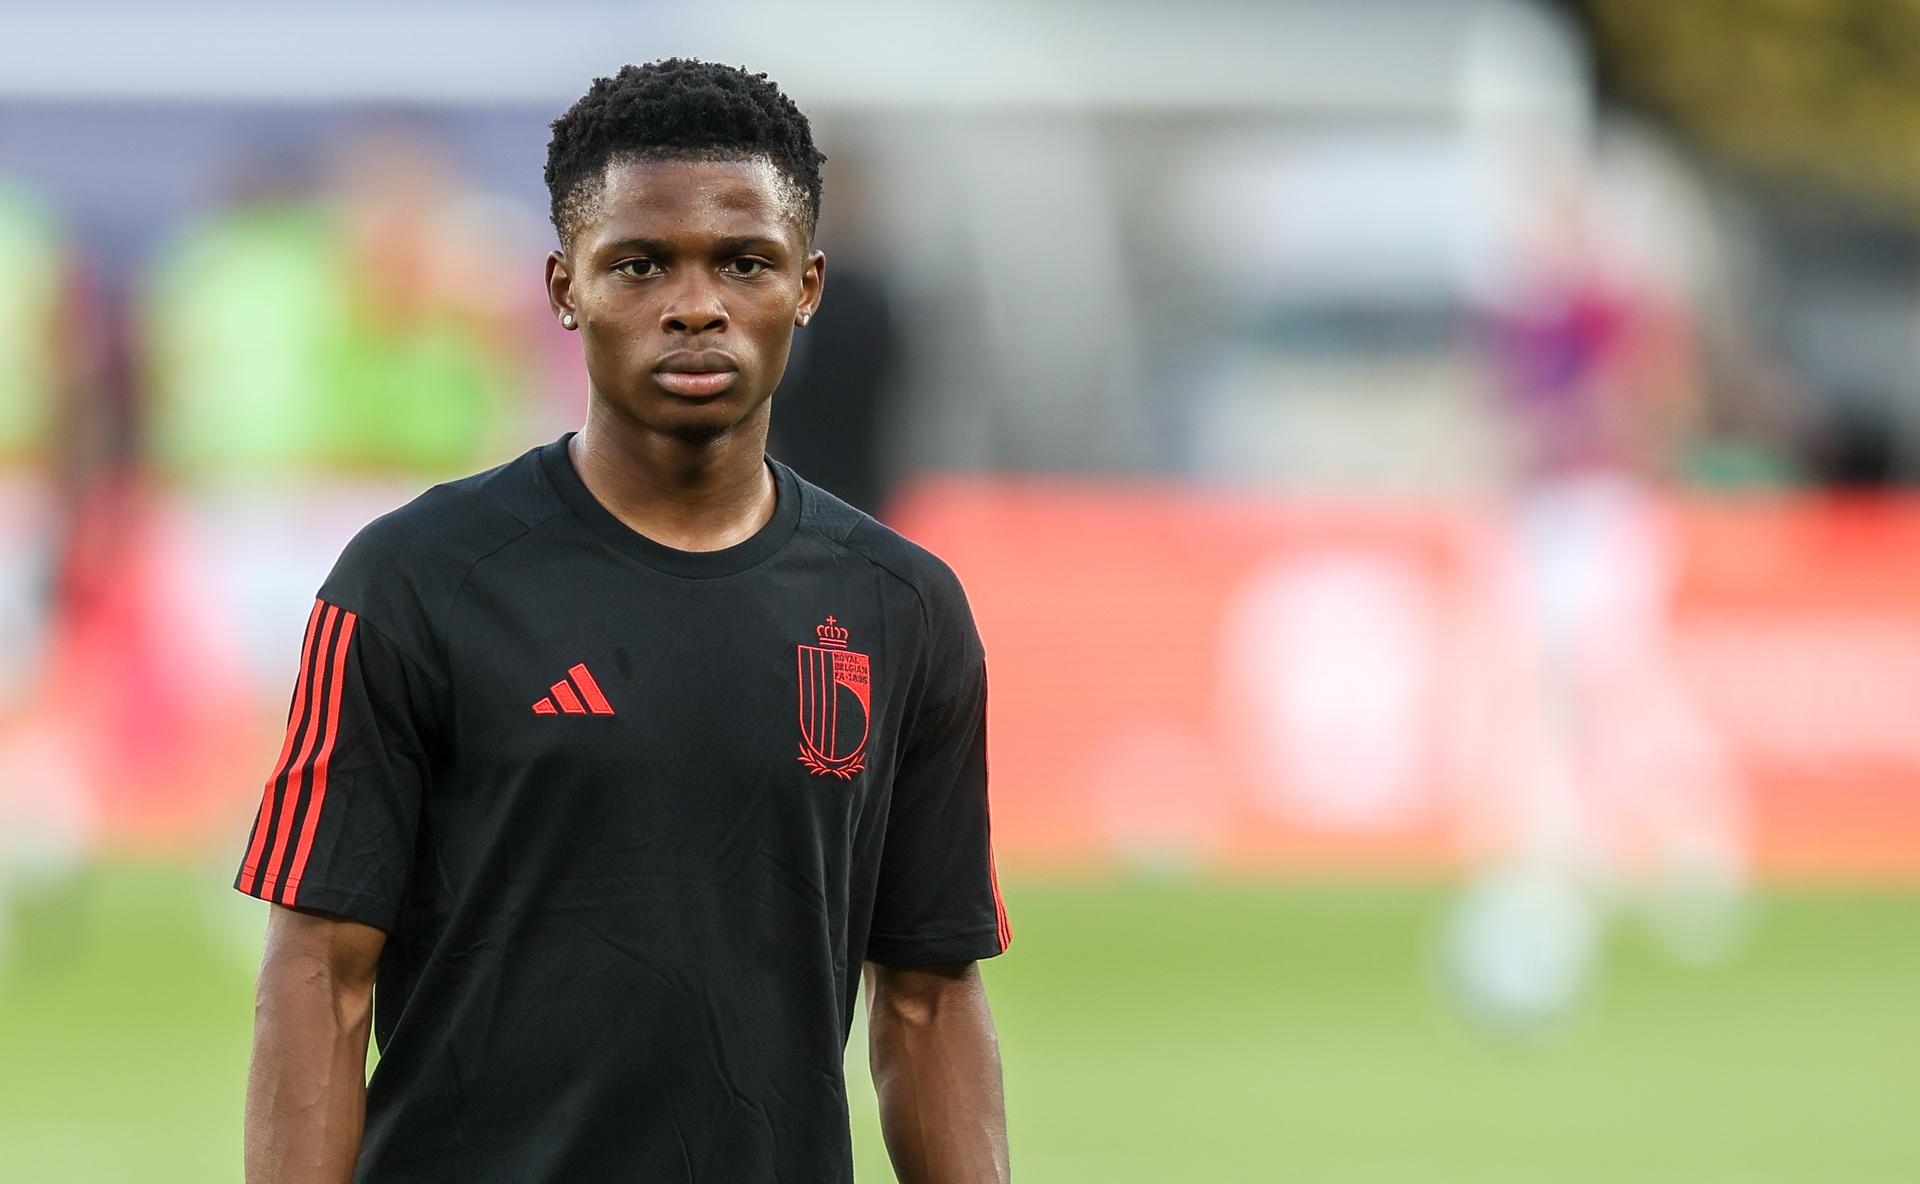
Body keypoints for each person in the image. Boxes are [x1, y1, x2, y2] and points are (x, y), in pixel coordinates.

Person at [234, 59, 1012, 1183]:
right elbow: (321, 971)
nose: (695, 305)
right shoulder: (415, 580)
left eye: (744, 263)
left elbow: (930, 996)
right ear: (564, 287)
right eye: (640, 264)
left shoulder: (901, 606)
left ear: (808, 286)